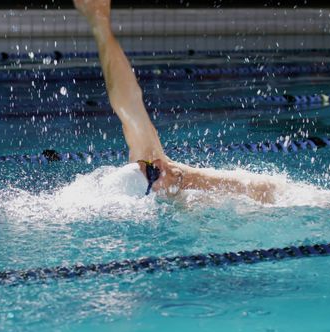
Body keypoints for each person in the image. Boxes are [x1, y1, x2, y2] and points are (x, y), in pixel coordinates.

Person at [73, 0, 276, 203]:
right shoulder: (187, 205)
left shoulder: (156, 168)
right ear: (154, 195)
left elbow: (128, 104)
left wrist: (100, 22)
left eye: (148, 165)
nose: (157, 164)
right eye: (152, 173)